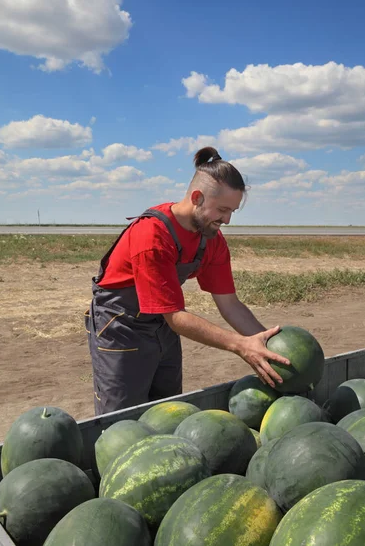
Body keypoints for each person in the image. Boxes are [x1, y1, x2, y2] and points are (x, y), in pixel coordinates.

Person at [85, 146, 290, 415]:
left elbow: (230, 304)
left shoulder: (211, 239)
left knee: (167, 409)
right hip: (120, 325)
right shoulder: (153, 236)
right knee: (122, 418)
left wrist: (266, 345)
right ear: (197, 197)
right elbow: (176, 316)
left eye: (233, 212)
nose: (227, 220)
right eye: (223, 210)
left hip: (160, 323)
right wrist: (241, 345)